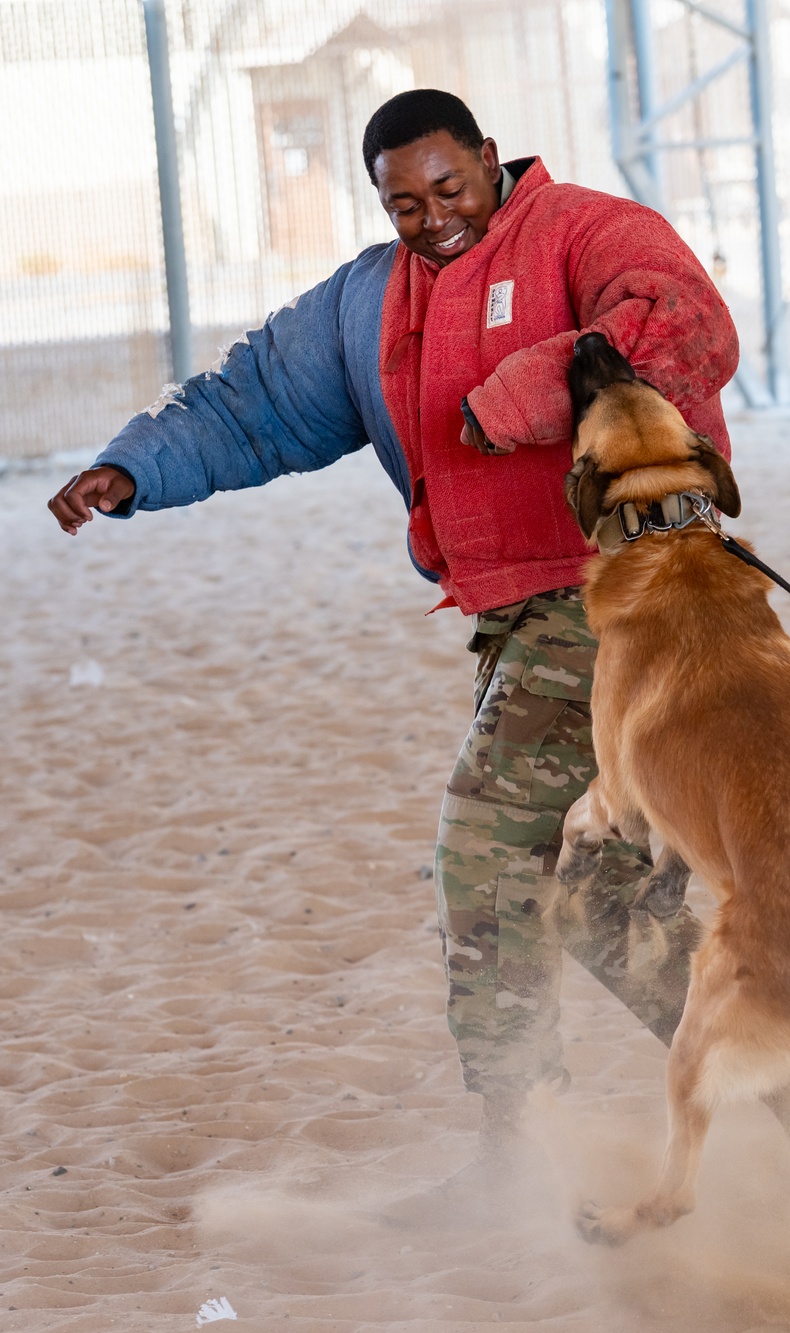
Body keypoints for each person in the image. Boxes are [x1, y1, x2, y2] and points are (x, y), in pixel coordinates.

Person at [49, 89, 739, 1176]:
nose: (430, 217)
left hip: (637, 598)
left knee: (487, 845)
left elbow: (680, 325)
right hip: (517, 621)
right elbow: (253, 404)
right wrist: (136, 466)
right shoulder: (369, 302)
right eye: (402, 203)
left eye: (447, 188)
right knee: (602, 900)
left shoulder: (590, 231)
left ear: (491, 159)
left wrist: (520, 391)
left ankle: (524, 1146)